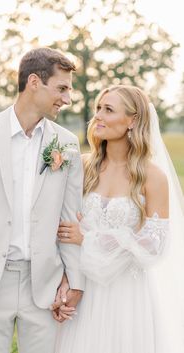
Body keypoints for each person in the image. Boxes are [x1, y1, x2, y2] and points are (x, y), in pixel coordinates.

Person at [0, 47, 85, 353]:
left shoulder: (66, 143)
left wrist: (74, 281)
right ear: (34, 82)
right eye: (62, 88)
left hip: (45, 285)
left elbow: (70, 218)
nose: (67, 99)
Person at [53, 85, 184, 353]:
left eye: (108, 110)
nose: (98, 116)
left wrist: (88, 238)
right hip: (83, 290)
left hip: (126, 295)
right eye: (98, 108)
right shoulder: (83, 166)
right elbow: (63, 228)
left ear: (132, 121)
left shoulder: (152, 176)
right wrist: (67, 281)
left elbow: (154, 243)